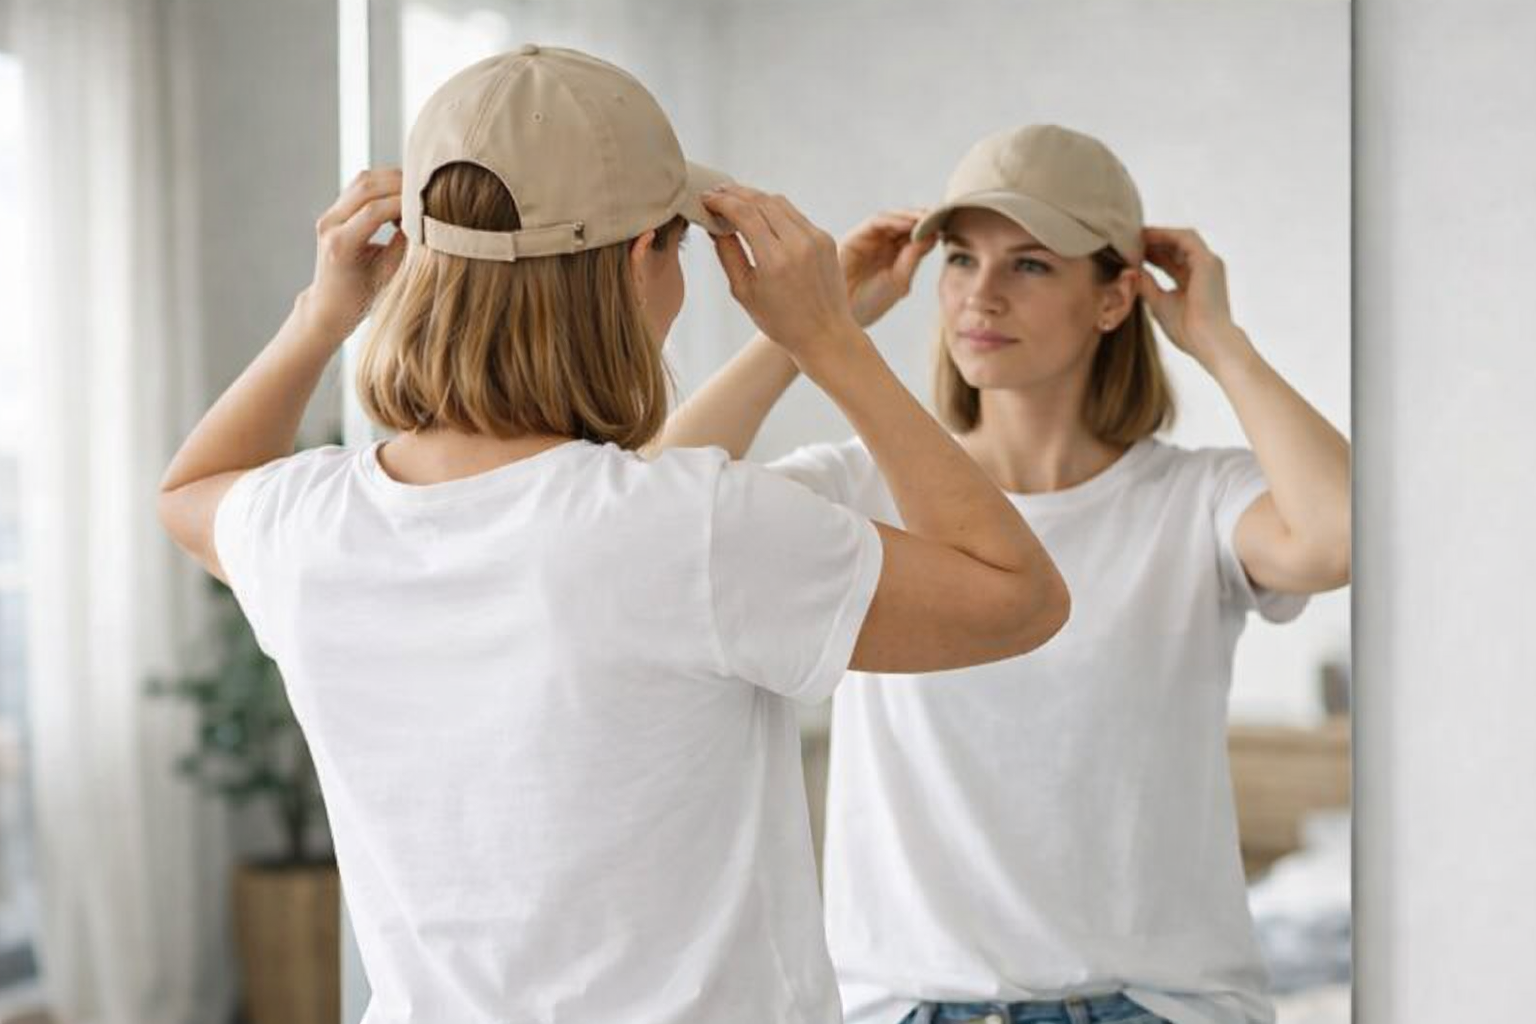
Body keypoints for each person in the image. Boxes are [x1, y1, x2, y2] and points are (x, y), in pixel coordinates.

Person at [156, 48, 1068, 1024]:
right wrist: (828, 339)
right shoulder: (686, 528)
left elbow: (193, 487)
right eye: (676, 243)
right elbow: (1019, 596)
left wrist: (324, 312)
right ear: (645, 262)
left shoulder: (309, 526)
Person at [659, 124, 1351, 1024]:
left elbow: (1335, 537)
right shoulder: (859, 484)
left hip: (1154, 1006)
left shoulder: (1195, 500)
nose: (981, 295)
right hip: (909, 1007)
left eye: (1030, 265)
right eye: (959, 259)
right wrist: (813, 328)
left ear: (1113, 299)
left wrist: (1220, 342)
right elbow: (657, 517)